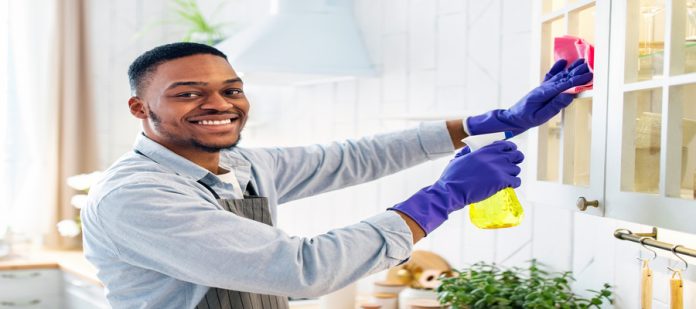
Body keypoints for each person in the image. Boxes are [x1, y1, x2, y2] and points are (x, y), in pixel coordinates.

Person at [81, 42, 592, 308]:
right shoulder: (137, 196)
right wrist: (442, 197)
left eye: (231, 89)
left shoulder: (240, 165)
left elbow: (351, 157)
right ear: (138, 107)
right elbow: (302, 270)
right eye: (188, 92)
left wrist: (489, 122)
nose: (218, 104)